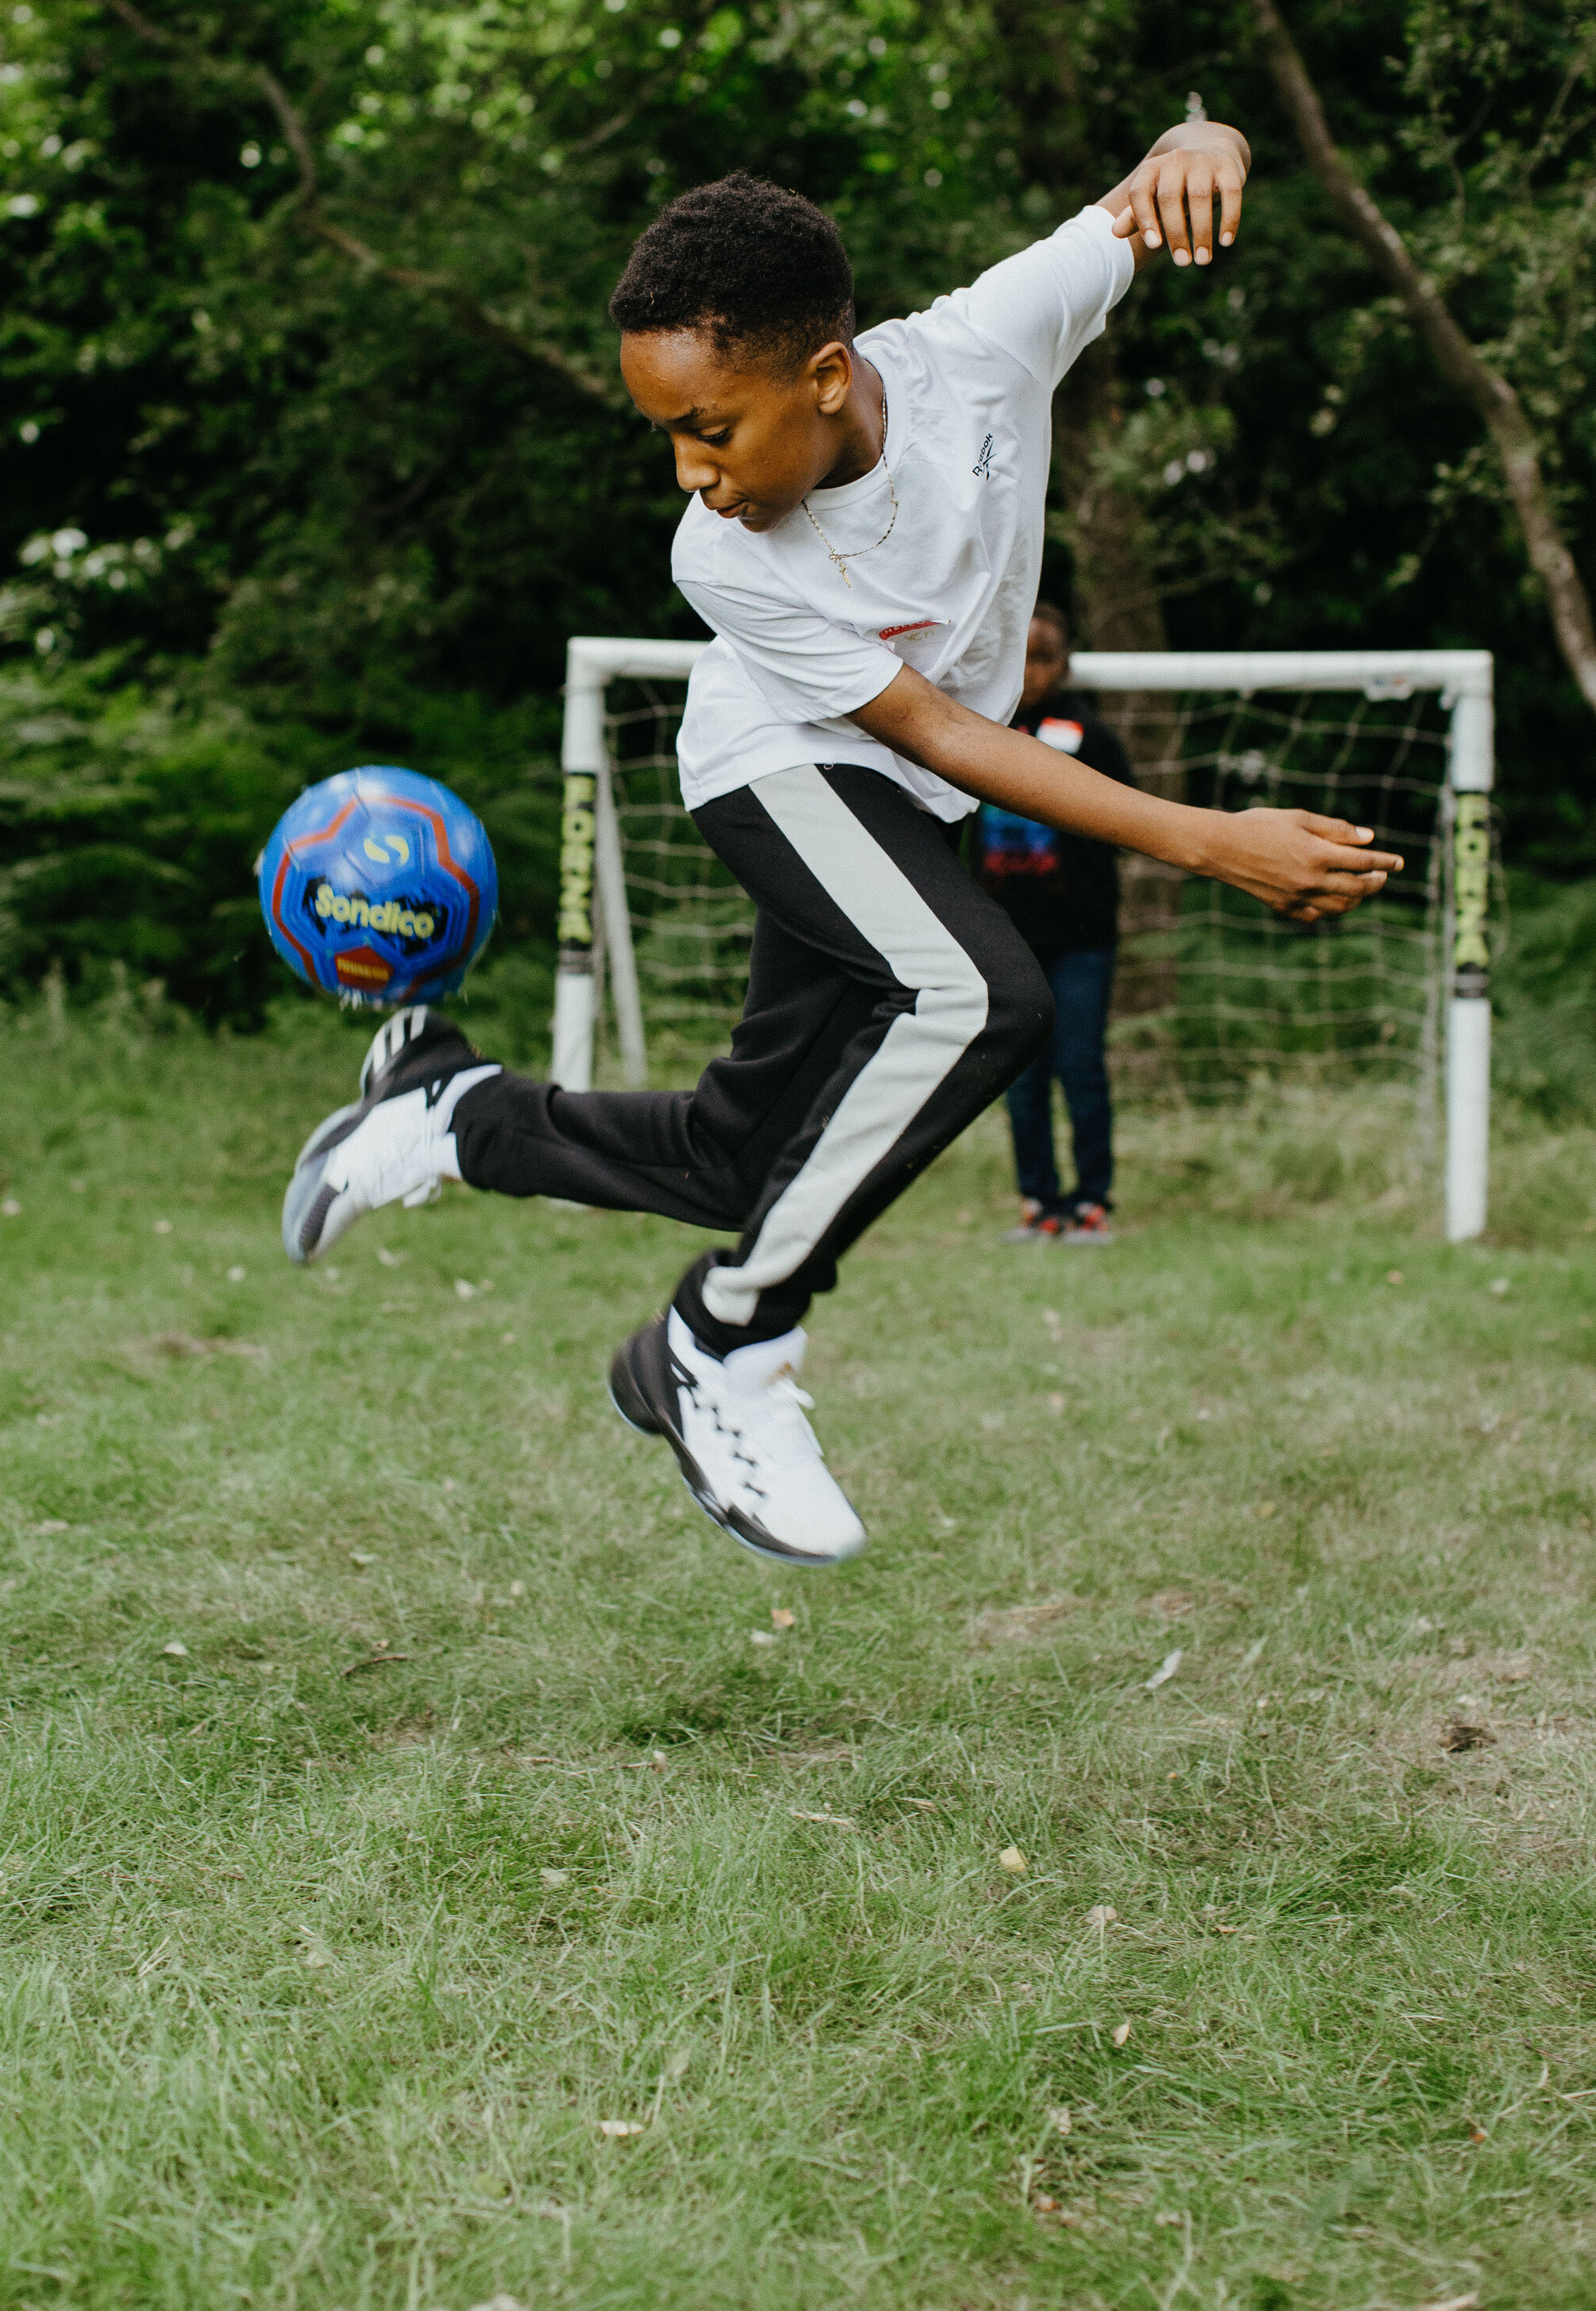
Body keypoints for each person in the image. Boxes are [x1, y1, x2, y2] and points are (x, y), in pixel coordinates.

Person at [282, 122, 1400, 1568]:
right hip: (780, 770)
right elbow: (939, 732)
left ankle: (449, 1110)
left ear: (826, 375)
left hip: (895, 805)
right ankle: (721, 1343)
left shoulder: (988, 347)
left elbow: (1139, 199)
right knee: (985, 995)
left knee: (744, 1159)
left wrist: (1208, 139)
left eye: (712, 428)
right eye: (667, 437)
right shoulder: (721, 553)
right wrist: (1206, 839)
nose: (690, 470)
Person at [972, 603, 1131, 1244]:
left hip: (1084, 940)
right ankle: (1038, 1202)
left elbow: (1124, 825)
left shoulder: (1093, 739)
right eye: (1024, 656)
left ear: (1065, 664)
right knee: (1022, 1075)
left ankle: (1091, 1201)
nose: (1034, 672)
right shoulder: (974, 731)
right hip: (1007, 939)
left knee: (1081, 1067)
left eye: (1047, 658)